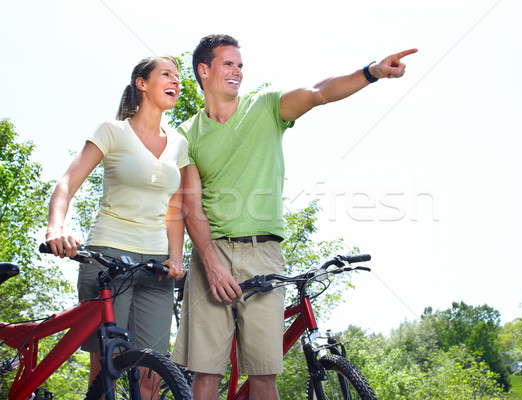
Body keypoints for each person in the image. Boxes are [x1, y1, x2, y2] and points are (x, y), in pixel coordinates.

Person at [171, 34, 418, 400]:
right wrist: (210, 261)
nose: (237, 71)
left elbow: (319, 92)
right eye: (228, 63)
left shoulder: (267, 107)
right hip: (212, 256)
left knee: (264, 376)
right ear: (204, 70)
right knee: (206, 376)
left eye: (241, 64)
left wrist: (371, 72)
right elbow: (191, 205)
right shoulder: (186, 134)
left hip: (264, 255)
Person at [45, 55, 189, 388]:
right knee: (104, 372)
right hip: (108, 257)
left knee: (154, 376)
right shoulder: (113, 131)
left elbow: (175, 208)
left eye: (178, 77)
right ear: (142, 83)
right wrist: (57, 227)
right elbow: (68, 182)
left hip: (157, 268)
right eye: (166, 75)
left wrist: (176, 256)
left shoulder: (179, 143)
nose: (176, 82)